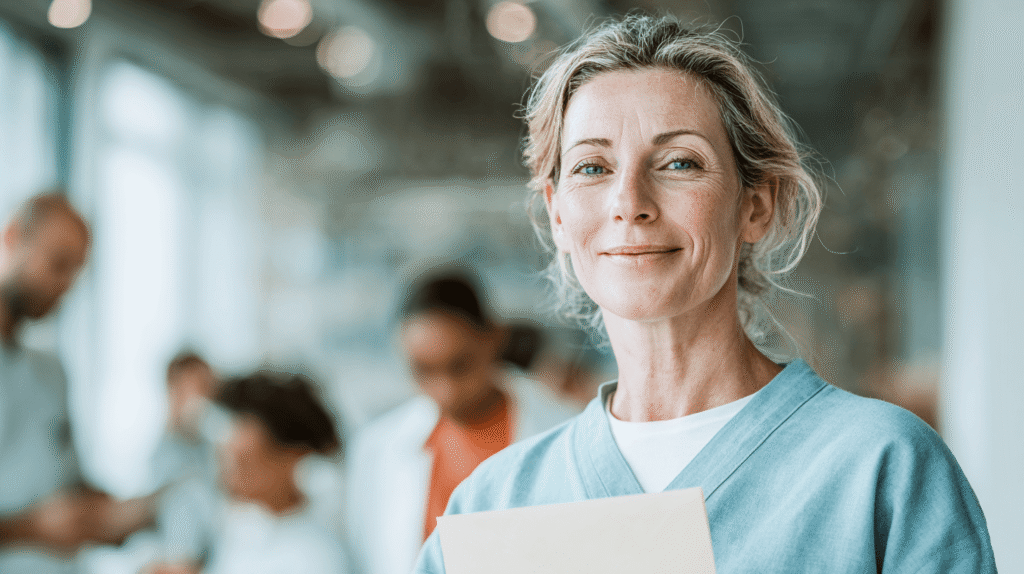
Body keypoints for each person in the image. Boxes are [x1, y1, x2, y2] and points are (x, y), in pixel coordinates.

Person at [413, 15, 995, 573]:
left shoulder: (881, 467)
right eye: (592, 168)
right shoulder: (491, 508)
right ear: (557, 214)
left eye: (679, 162)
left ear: (755, 205)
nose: (629, 202)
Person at [346, 271, 574, 574]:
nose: (446, 390)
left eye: (460, 366)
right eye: (423, 370)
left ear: (494, 338)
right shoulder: (377, 449)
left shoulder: (566, 432)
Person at [0, 192, 152, 574]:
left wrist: (117, 513)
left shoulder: (51, 372)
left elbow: (66, 483)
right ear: (12, 237)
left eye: (76, 271)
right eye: (58, 264)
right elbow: (42, 522)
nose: (66, 285)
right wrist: (30, 530)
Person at [145, 370, 349, 574]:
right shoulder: (244, 525)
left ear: (294, 455)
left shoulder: (315, 557)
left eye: (243, 462)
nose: (227, 443)